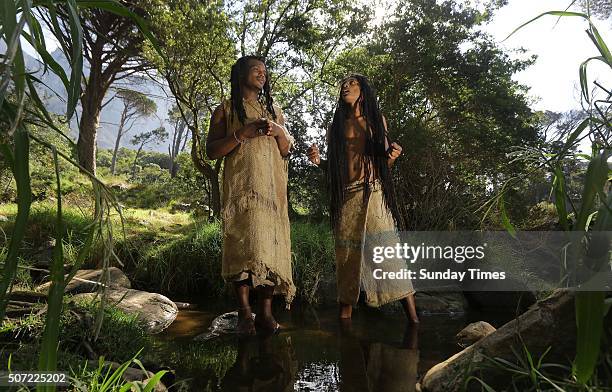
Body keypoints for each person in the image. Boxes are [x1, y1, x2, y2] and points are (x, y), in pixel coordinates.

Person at [307, 73, 419, 323]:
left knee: (388, 254)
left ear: (363, 90)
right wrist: (318, 162)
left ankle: (414, 321)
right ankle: (344, 324)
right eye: (343, 84)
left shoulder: (376, 121)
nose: (346, 87)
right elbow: (336, 168)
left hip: (373, 191)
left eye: (352, 83)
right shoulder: (336, 126)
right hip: (346, 196)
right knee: (347, 260)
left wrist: (393, 155)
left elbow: (384, 163)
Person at [206, 55, 295, 335]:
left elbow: (286, 150)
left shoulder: (274, 109)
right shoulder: (225, 109)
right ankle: (245, 314)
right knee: (242, 250)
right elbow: (211, 152)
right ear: (241, 74)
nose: (262, 74)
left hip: (271, 193)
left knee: (269, 250)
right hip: (242, 191)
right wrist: (242, 133)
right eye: (255, 69)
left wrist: (279, 131)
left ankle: (266, 314)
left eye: (264, 71)